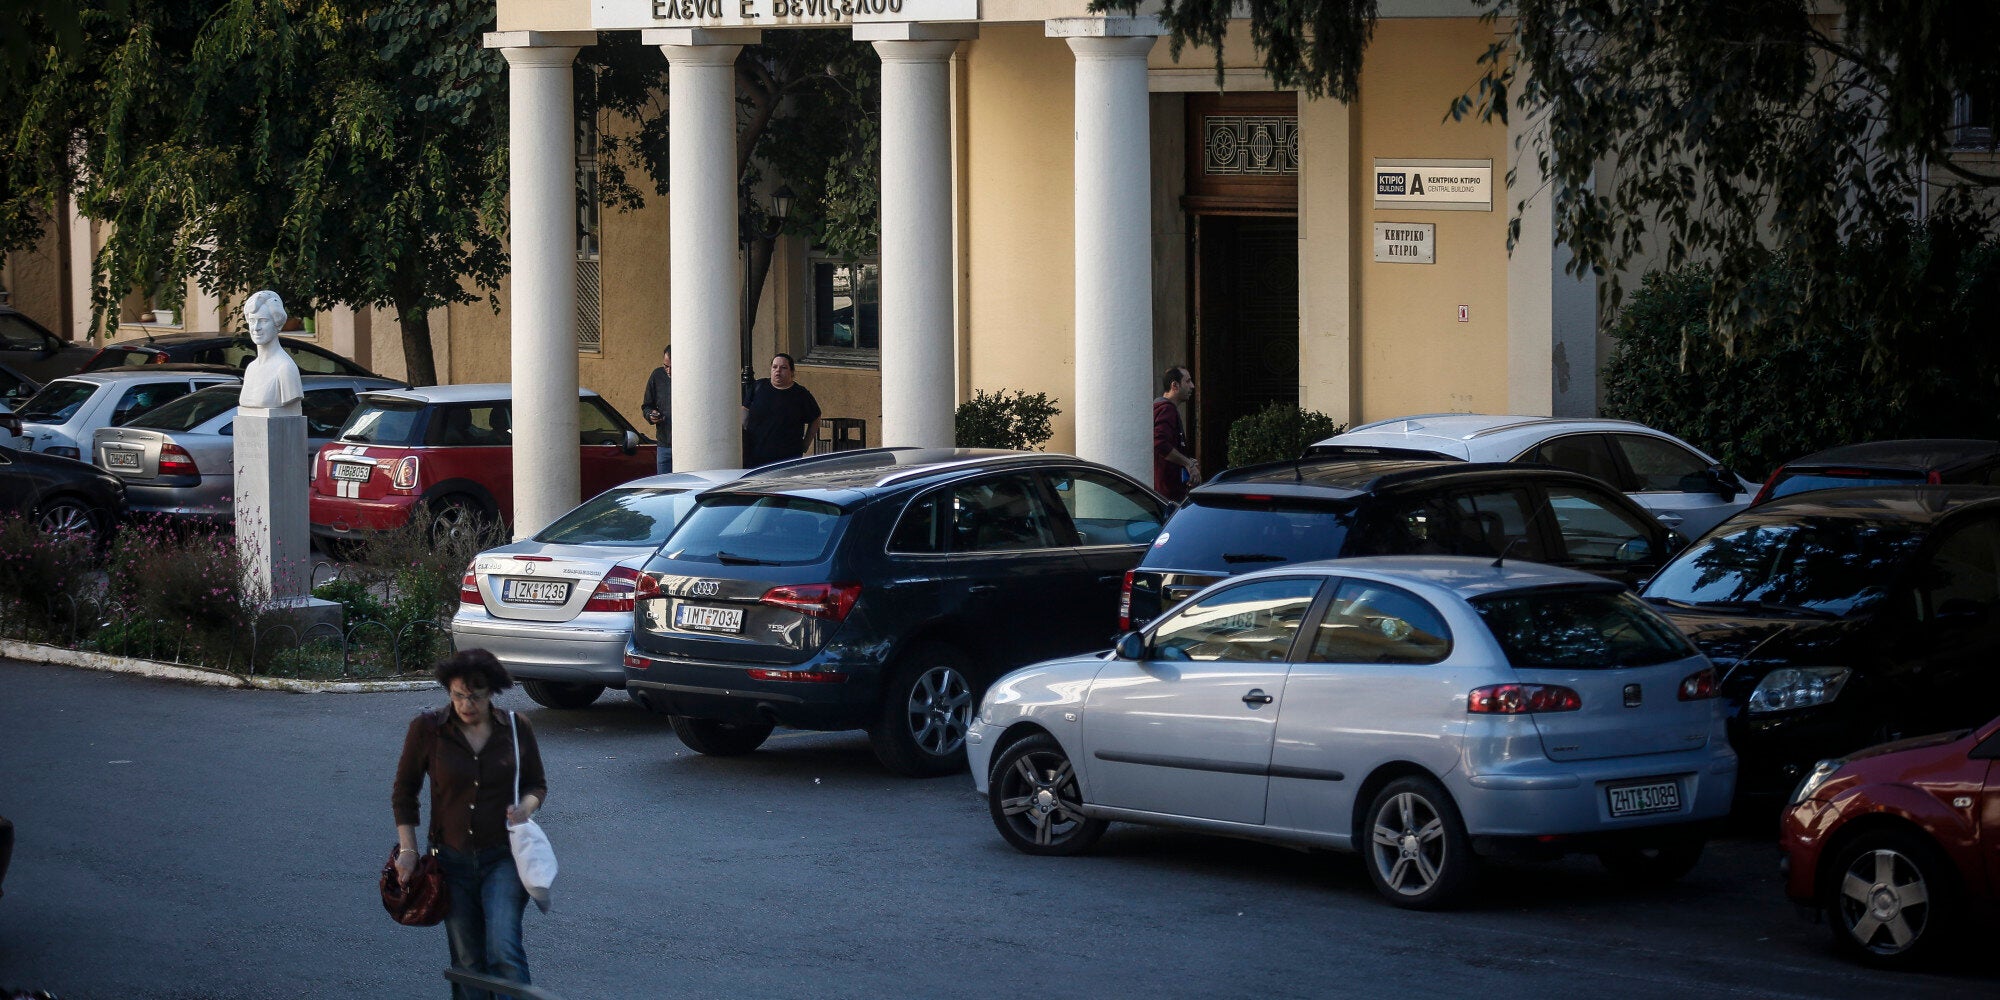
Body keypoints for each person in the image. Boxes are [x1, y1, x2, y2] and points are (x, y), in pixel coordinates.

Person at [393, 650, 547, 1000]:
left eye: (475, 696)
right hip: (451, 861)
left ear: (491, 691)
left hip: (505, 859)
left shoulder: (516, 727)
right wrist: (408, 849)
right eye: (458, 695)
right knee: (467, 960)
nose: (466, 704)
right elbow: (404, 792)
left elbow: (537, 784)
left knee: (504, 949)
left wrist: (525, 808)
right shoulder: (428, 730)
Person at [741, 353, 821, 467]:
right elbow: (745, 411)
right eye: (774, 367)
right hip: (755, 456)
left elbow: (816, 418)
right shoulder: (758, 387)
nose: (778, 371)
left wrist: (805, 444)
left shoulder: (800, 394)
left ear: (792, 372)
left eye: (783, 368)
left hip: (786, 458)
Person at [240, 289, 301, 411]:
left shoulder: (285, 368)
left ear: (277, 324)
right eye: (252, 321)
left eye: (263, 321)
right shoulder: (251, 368)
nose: (256, 328)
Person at [1153, 365, 1199, 501]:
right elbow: (1159, 442)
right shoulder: (1167, 409)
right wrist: (1188, 464)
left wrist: (1185, 459)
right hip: (1167, 495)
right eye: (1188, 381)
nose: (1192, 386)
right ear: (1175, 385)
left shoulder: (1161, 408)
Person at [641, 346, 672, 474]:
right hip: (664, 444)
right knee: (663, 483)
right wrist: (651, 415)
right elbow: (647, 406)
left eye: (672, 367)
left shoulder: (690, 378)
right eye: (666, 366)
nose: (669, 371)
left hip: (686, 446)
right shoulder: (657, 375)